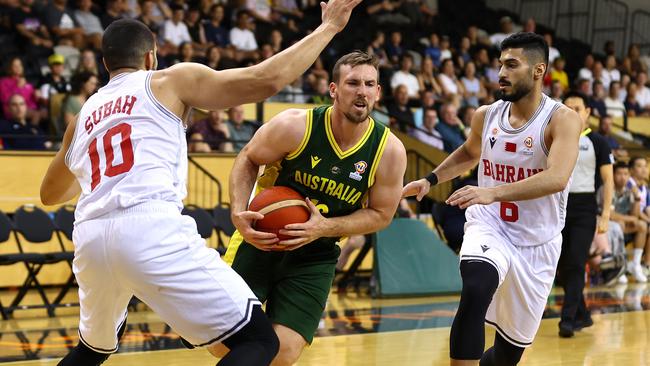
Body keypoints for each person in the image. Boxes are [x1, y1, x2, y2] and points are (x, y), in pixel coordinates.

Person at [38, 1, 362, 362]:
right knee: (259, 341)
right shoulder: (166, 80)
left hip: (90, 237)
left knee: (90, 350)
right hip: (148, 226)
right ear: (150, 58)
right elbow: (264, 80)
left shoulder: (82, 116)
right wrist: (329, 27)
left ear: (105, 65)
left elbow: (50, 194)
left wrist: (90, 162)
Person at [403, 32, 582, 366]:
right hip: (492, 225)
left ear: (538, 71)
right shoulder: (486, 115)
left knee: (506, 355)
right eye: (500, 64)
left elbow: (557, 178)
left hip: (537, 242)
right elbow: (470, 152)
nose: (501, 73)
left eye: (512, 65)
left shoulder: (562, 119)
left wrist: (492, 191)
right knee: (475, 286)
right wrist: (431, 179)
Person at [222, 51, 407, 366]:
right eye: (352, 83)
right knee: (224, 342)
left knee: (284, 350)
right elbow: (249, 157)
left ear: (378, 93)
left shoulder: (388, 151)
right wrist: (238, 211)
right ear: (334, 90)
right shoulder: (296, 125)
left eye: (369, 84)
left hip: (316, 254)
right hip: (262, 240)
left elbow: (381, 215)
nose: (361, 91)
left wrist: (325, 228)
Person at [557, 91, 614, 338]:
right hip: (558, 207)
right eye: (567, 108)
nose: (572, 112)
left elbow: (608, 180)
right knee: (562, 266)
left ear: (587, 113)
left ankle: (567, 320)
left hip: (584, 208)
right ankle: (583, 314)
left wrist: (605, 214)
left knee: (577, 262)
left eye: (577, 108)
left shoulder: (598, 142)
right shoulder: (555, 137)